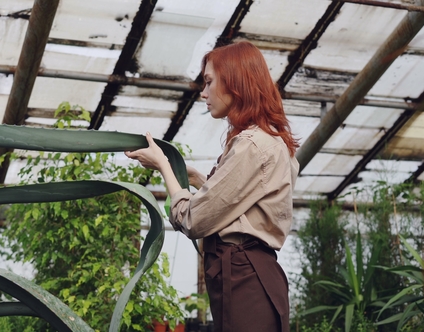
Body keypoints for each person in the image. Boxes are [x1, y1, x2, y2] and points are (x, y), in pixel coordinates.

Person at [125, 41, 299, 332]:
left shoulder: (251, 146)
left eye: (209, 82)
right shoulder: (271, 141)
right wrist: (195, 178)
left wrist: (163, 166)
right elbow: (245, 204)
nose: (203, 93)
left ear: (235, 82)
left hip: (245, 278)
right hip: (254, 276)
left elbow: (194, 219)